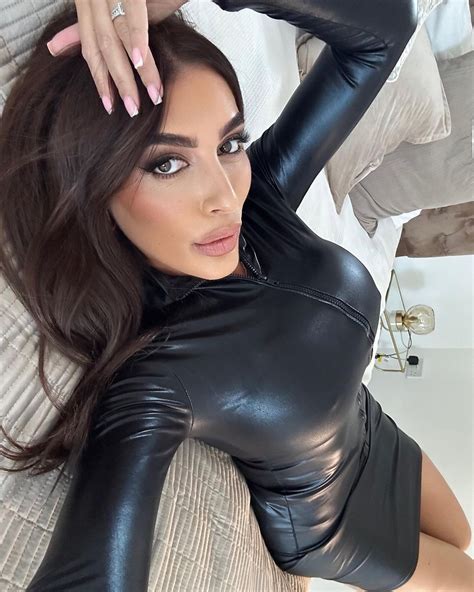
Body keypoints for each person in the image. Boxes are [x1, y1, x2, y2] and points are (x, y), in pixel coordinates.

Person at [0, 1, 472, 591]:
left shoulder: (262, 197)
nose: (224, 197)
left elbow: (384, 33)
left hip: (370, 425)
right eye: (167, 164)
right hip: (330, 519)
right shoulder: (156, 381)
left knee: (462, 535)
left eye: (229, 145)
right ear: (94, 183)